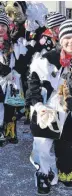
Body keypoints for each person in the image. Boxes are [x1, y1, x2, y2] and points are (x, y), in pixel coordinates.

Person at [26, 19, 72, 196]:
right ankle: (44, 173)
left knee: (70, 148)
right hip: (48, 109)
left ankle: (68, 168)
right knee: (43, 145)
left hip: (69, 111)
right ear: (60, 39)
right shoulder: (46, 59)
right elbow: (33, 83)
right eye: (68, 37)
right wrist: (38, 104)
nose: (71, 42)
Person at [5, 1, 48, 124]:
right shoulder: (16, 26)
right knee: (20, 86)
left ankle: (29, 111)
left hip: (31, 61)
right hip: (18, 61)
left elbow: (39, 40)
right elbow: (12, 38)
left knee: (30, 86)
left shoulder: (34, 25)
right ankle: (22, 110)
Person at [0, 13, 24, 146]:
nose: (0, 28)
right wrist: (4, 71)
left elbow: (19, 59)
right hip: (2, 78)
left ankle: (10, 131)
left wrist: (16, 71)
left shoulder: (12, 43)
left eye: (3, 25)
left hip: (11, 80)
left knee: (11, 106)